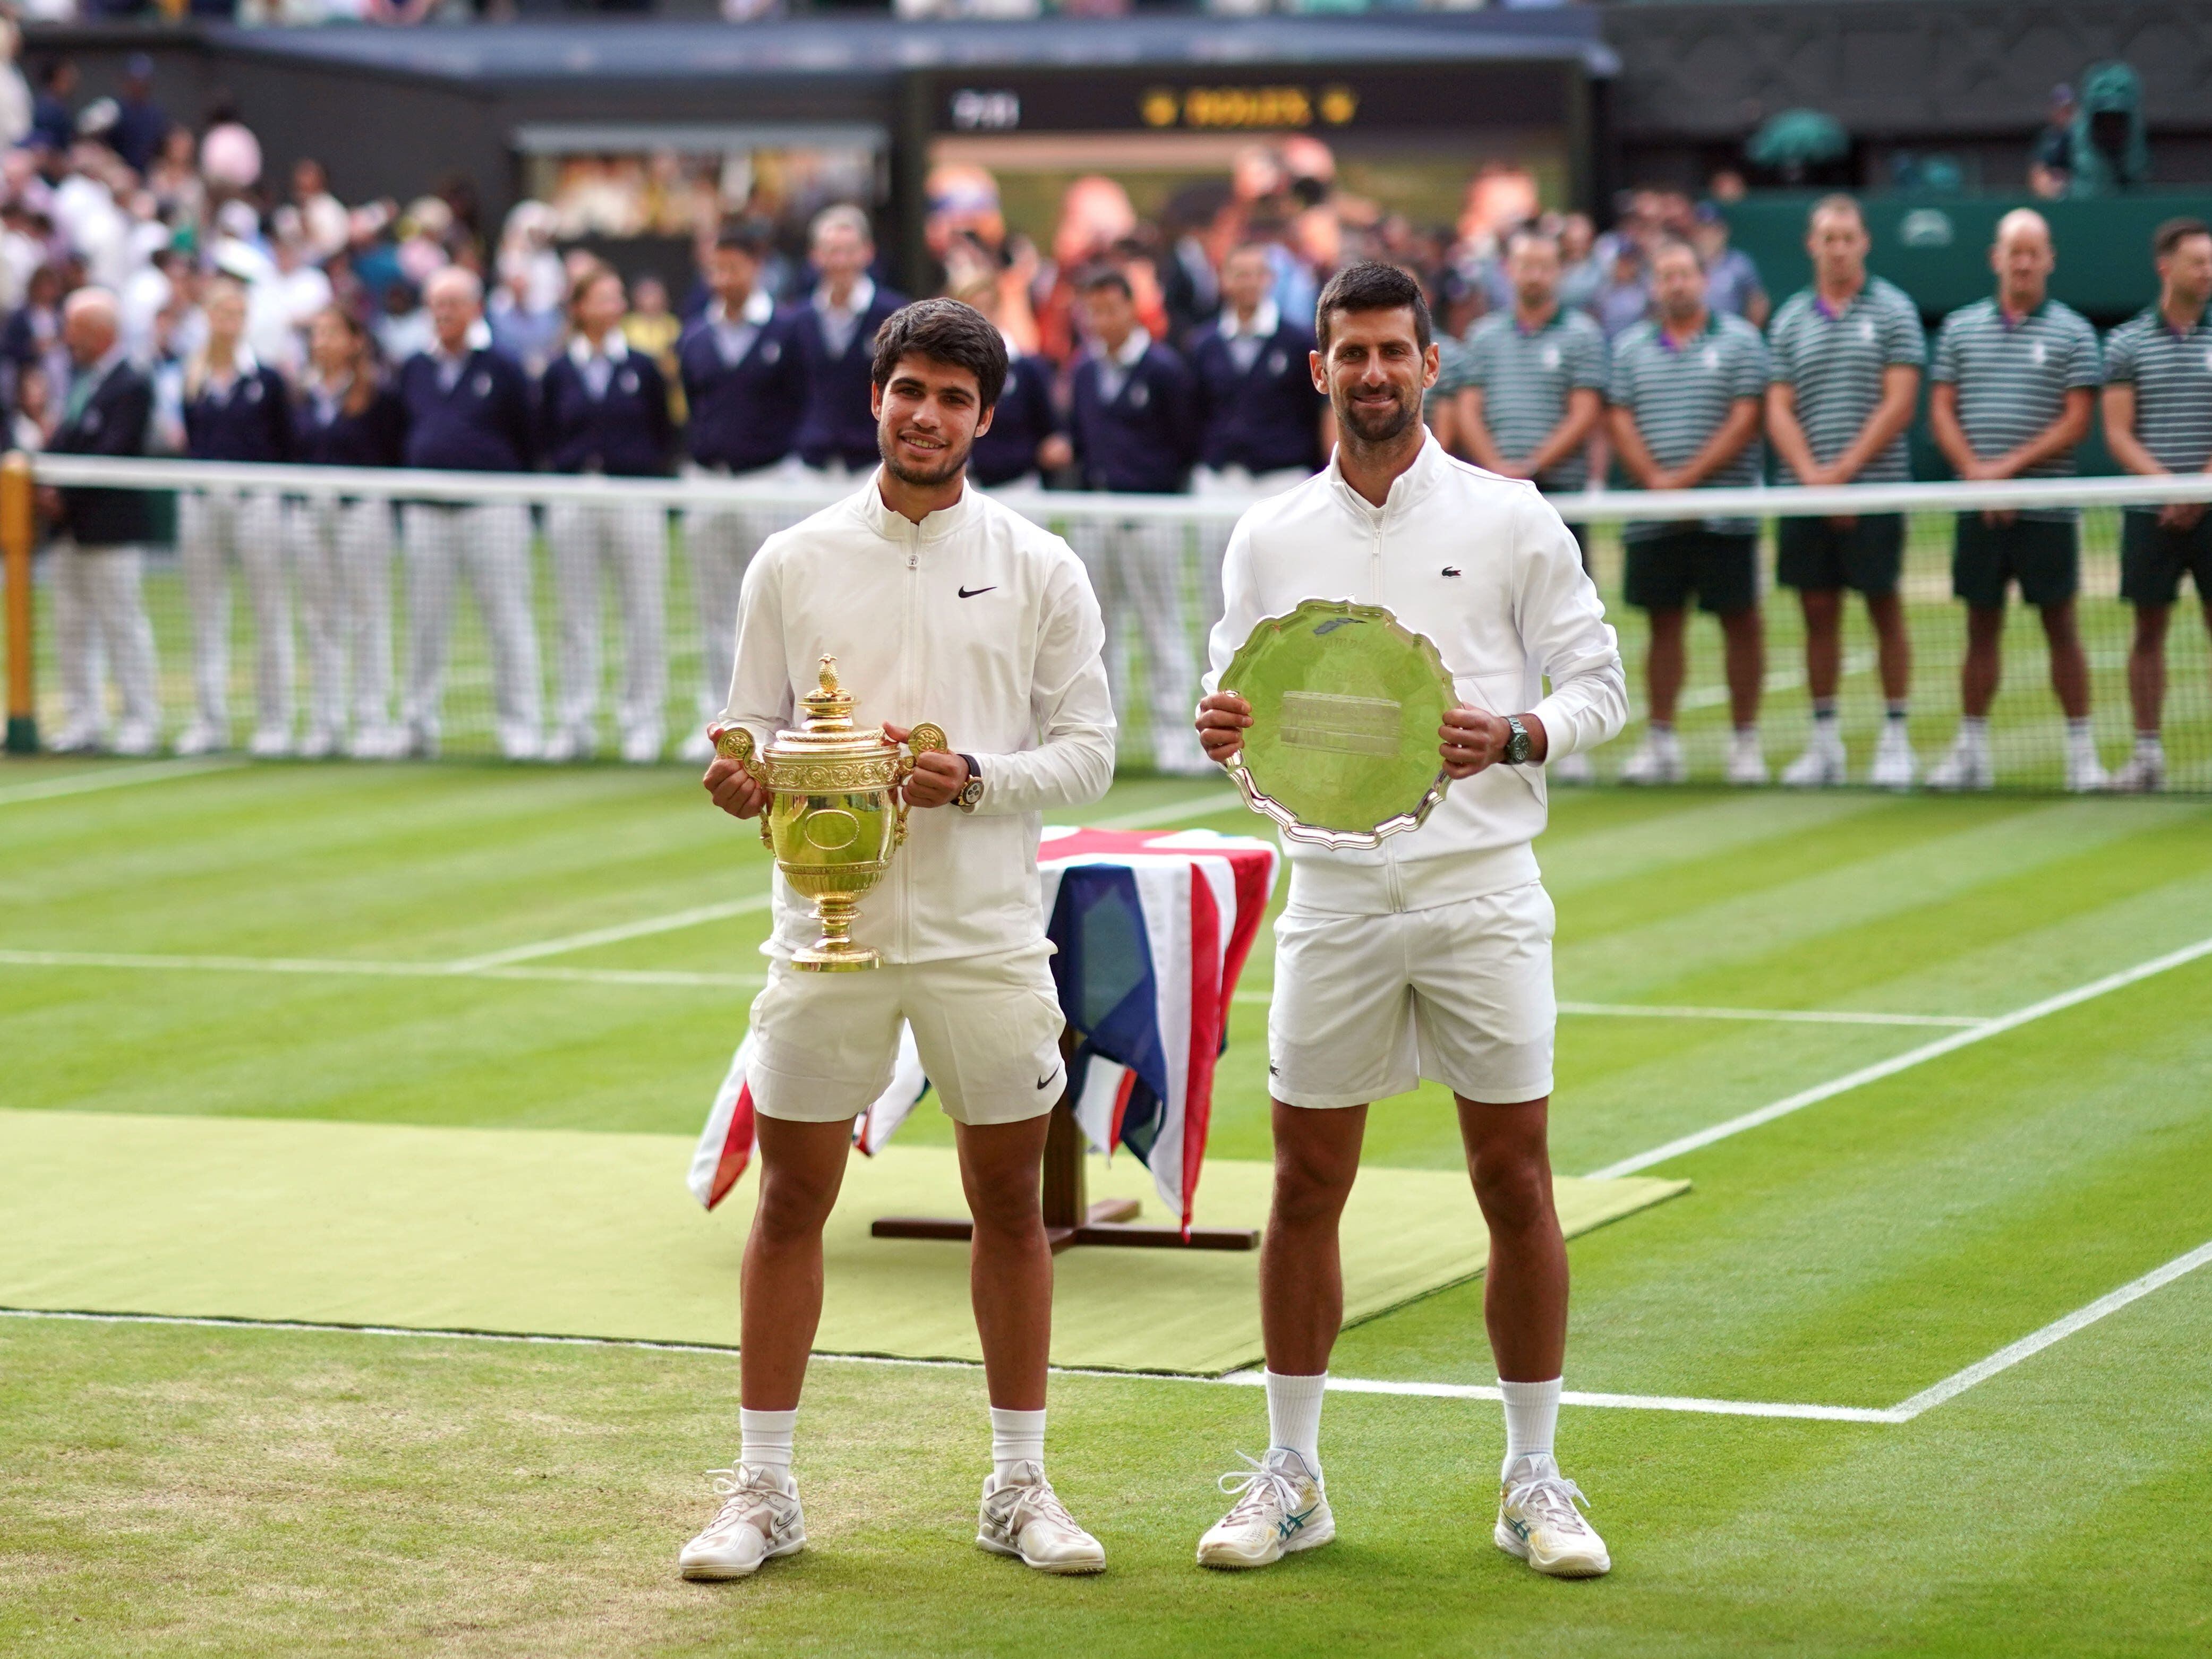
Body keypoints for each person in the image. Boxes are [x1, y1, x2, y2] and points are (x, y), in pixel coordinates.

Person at [1191, 261, 1625, 1580]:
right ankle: (1294, 1479)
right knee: (1307, 1184)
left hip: (1484, 892)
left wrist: (1520, 731)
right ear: (1318, 368)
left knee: (1516, 1180)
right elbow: (1238, 700)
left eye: (1393, 352)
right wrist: (1223, 732)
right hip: (1331, 896)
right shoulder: (1268, 535)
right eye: (1350, 354)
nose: (1371, 374)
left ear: (1432, 365)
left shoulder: (1513, 516)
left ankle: (1532, 1480)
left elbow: (1598, 683)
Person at [684, 298, 1115, 1583]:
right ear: (876, 398)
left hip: (987, 939)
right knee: (792, 1199)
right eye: (908, 390)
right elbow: (745, 725)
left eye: (952, 398)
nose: (926, 415)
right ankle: (763, 1491)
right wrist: (742, 776)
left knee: (1007, 1208)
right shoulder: (794, 560)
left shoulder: (1043, 564)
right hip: (825, 939)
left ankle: (1019, 1486)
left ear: (987, 419)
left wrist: (972, 776)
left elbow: (1088, 753)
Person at [1925, 209, 2105, 792]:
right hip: (1980, 509)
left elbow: (2076, 422)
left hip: (2044, 508)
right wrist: (1978, 476)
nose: (2023, 262)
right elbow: (1942, 410)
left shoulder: (2074, 332)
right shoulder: (1958, 329)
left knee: (2061, 625)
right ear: (1995, 259)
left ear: (2049, 259)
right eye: (2014, 252)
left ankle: (2082, 753)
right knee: (1980, 627)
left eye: (2034, 252)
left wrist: (2005, 472)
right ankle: (1971, 750)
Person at [1764, 195, 1926, 789]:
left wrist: (1845, 475)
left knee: (1884, 608)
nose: (1837, 247)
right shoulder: (1789, 318)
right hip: (1804, 495)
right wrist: (1813, 478)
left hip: (1875, 492)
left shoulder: (1894, 311)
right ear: (1812, 245)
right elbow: (1778, 405)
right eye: (1827, 237)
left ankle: (1895, 736)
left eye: (1847, 237)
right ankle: (1825, 741)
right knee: (1817, 613)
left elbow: (1899, 401)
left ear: (1863, 243)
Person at [1607, 236, 1772, 785]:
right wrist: (1657, 482)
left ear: (1703, 280)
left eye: (1685, 274)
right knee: (1662, 625)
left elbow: (1746, 416)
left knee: (1740, 622)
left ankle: (1745, 743)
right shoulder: (1630, 348)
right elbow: (1621, 419)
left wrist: (1688, 481)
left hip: (1725, 513)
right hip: (1655, 516)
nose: (1675, 284)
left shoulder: (1742, 342)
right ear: (1654, 286)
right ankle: (1660, 742)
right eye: (1665, 275)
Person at [1454, 226, 1610, 785]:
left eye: (1545, 265)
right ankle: (1508, 728)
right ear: (1509, 271)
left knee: (1564, 622)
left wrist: (1531, 466)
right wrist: (1500, 467)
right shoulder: (1484, 335)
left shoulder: (1582, 334)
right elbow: (1469, 406)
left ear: (1559, 273)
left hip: (1559, 499)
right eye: (1525, 264)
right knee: (1499, 618)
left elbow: (1586, 409)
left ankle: (1569, 731)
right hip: (1494, 500)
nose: (1535, 274)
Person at [395, 264, 543, 761]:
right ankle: (416, 725)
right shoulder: (414, 367)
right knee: (424, 624)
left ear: (476, 308)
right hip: (427, 513)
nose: (444, 313)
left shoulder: (502, 366)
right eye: (436, 304)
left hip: (492, 510)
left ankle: (521, 729)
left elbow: (526, 435)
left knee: (508, 621)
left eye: (454, 303)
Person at [676, 220, 808, 764]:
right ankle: (719, 722)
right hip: (708, 484)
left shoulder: (787, 332)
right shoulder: (694, 337)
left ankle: (780, 723)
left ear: (755, 268)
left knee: (777, 609)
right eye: (715, 267)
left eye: (733, 266)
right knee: (715, 607)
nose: (723, 277)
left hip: (769, 481)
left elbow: (803, 400)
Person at [1066, 264, 1207, 774]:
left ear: (1131, 308)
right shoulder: (1083, 370)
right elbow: (1081, 440)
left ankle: (1175, 739)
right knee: (1097, 631)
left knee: (1161, 625)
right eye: (1092, 310)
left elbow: (1183, 439)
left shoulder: (1164, 369)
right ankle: (1104, 739)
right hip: (1097, 515)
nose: (1100, 320)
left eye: (1109, 308)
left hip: (1151, 516)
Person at [539, 263, 676, 764]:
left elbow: (663, 433)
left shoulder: (642, 368)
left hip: (635, 498)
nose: (612, 306)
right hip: (574, 500)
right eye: (601, 297)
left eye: (617, 296)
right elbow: (547, 434)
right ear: (578, 309)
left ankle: (642, 723)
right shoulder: (558, 372)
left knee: (643, 610)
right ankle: (574, 723)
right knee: (575, 616)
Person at [2100, 217, 2212, 792]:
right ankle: (2146, 756)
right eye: (2199, 262)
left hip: (2210, 509)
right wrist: (2168, 488)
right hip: (2151, 511)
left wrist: (2198, 488)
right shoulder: (2124, 342)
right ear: (2166, 268)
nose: (2209, 272)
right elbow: (2118, 432)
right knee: (2148, 631)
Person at [175, 275, 295, 758]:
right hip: (203, 503)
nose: (228, 323)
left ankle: (275, 721)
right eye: (220, 313)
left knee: (269, 613)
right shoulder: (194, 379)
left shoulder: (266, 381)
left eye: (236, 314)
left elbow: (284, 443)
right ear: (208, 318)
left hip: (257, 503)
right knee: (205, 616)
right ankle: (208, 720)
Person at [1186, 241, 1329, 634]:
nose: (1248, 282)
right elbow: (1194, 413)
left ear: (1269, 280)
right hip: (1220, 481)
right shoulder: (1204, 345)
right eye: (1239, 273)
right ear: (1224, 281)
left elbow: (1315, 411)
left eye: (1256, 273)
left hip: (1281, 480)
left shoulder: (1298, 341)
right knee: (1215, 591)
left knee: (1287, 587)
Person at [44, 286, 159, 757]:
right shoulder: (80, 380)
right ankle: (83, 719)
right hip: (69, 531)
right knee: (71, 626)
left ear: (99, 332)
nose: (68, 338)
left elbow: (113, 450)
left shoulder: (133, 382)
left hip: (110, 528)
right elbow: (62, 440)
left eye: (75, 329)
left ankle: (141, 720)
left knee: (121, 623)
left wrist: (62, 494)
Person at [289, 304, 407, 760]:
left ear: (356, 341)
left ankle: (372, 720)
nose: (321, 342)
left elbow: (393, 449)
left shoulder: (380, 394)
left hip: (362, 512)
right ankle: (325, 721)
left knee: (367, 616)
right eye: (316, 334)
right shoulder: (299, 393)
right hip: (310, 514)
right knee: (319, 620)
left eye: (332, 333)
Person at [791, 204, 906, 481]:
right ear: (815, 256)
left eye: (849, 251)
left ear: (868, 252)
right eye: (832, 251)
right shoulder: (798, 320)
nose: (841, 261)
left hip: (872, 464)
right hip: (810, 467)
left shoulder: (895, 315)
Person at [955, 275, 1068, 495]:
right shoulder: (950, 372)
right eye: (972, 309)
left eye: (987, 307)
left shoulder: (1027, 369)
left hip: (1019, 487)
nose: (981, 317)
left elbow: (1053, 435)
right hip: (965, 488)